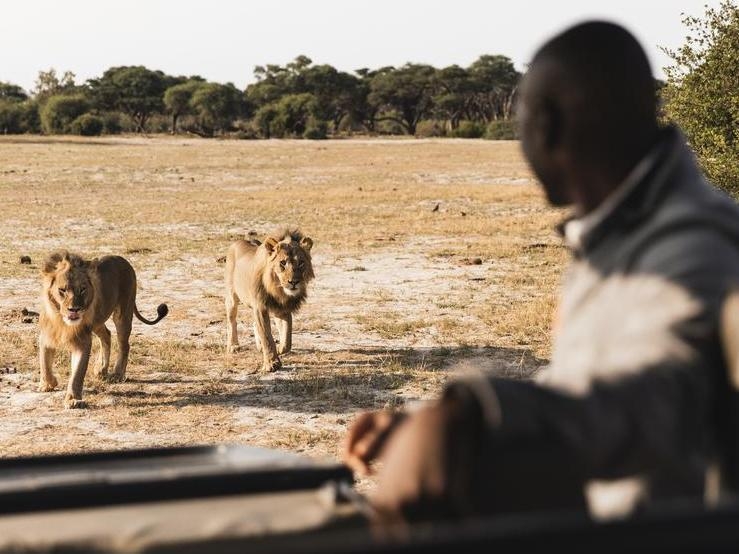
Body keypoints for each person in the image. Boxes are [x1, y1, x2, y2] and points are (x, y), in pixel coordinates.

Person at [343, 20, 739, 526]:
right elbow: (591, 391)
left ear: (546, 124)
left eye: (520, 121)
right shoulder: (621, 230)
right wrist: (429, 426)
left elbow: (660, 403)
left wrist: (473, 414)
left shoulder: (692, 245)